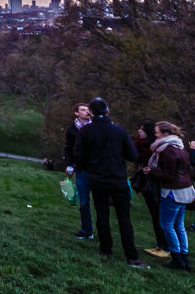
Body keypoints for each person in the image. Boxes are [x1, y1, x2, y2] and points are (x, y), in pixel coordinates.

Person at [73, 97, 146, 268]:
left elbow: (79, 155)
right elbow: (133, 156)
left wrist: (87, 166)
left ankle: (105, 249)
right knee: (124, 218)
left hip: (97, 178)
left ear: (91, 112)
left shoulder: (86, 131)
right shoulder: (119, 131)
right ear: (108, 111)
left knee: (102, 214)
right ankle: (132, 255)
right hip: (118, 178)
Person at [142, 121, 195, 271]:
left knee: (166, 224)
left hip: (173, 191)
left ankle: (177, 258)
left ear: (166, 134)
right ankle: (184, 257)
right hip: (184, 189)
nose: (155, 135)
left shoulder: (169, 150)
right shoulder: (180, 147)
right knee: (179, 225)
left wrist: (151, 171)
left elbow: (169, 176)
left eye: (157, 132)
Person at [133, 122, 168, 259]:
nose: (139, 131)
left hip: (154, 184)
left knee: (159, 215)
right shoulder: (140, 145)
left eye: (142, 130)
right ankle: (160, 244)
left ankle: (165, 246)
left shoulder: (155, 148)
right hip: (147, 183)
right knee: (154, 215)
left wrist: (151, 171)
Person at [63, 102, 94, 240]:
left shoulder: (95, 127)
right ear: (76, 113)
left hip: (95, 168)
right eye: (83, 110)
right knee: (84, 201)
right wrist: (69, 165)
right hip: (81, 169)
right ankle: (87, 230)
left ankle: (103, 232)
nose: (87, 111)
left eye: (88, 109)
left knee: (100, 202)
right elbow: (68, 148)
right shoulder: (72, 129)